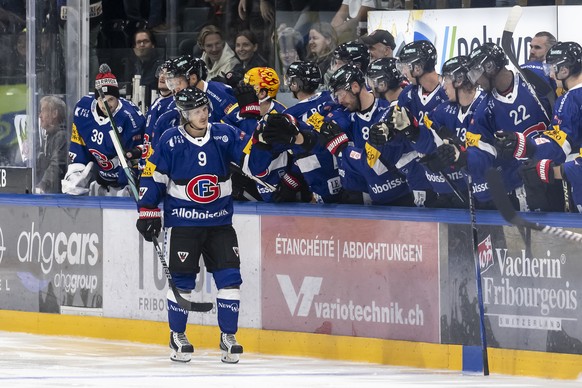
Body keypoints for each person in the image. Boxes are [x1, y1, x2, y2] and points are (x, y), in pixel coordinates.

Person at [136, 87, 247, 364]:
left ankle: (228, 336)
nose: (203, 115)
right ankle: (177, 335)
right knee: (182, 282)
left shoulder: (224, 134)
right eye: (197, 111)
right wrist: (147, 211)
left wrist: (252, 124)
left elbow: (250, 160)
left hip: (220, 223)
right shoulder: (170, 140)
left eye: (205, 109)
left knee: (230, 279)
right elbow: (153, 176)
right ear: (184, 114)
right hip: (184, 224)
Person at [505, 42, 582, 212]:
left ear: (565, 69)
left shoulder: (571, 100)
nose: (551, 75)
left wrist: (527, 145)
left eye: (552, 68)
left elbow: (558, 144)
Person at [62, 64, 146, 196]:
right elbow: (79, 146)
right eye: (102, 99)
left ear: (118, 97)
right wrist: (76, 175)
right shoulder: (82, 109)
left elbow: (138, 157)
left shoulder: (132, 118)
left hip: (124, 186)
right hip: (98, 182)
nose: (106, 105)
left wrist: (133, 182)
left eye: (111, 99)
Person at [36, 95, 68, 194]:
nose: (40, 116)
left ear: (54, 113)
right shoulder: (48, 137)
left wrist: (42, 186)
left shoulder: (61, 137)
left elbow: (56, 165)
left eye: (43, 111)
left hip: (58, 198)